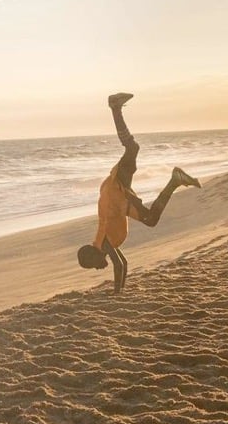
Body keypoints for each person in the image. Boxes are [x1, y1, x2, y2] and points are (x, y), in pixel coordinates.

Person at [77, 93, 201, 293]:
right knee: (133, 149)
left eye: (92, 264)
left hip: (116, 191)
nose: (97, 268)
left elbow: (118, 266)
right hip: (119, 195)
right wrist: (121, 289)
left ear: (94, 255)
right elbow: (123, 264)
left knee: (132, 148)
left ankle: (115, 108)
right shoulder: (105, 245)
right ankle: (175, 180)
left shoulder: (104, 244)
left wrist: (117, 294)